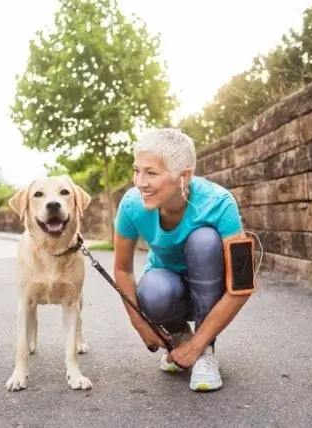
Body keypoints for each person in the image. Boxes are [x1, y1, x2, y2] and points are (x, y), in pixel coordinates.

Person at [112, 128, 253, 392]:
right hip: (169, 292)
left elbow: (242, 284)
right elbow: (122, 270)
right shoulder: (131, 205)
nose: (139, 182)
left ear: (184, 176)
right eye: (137, 170)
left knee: (204, 240)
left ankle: (205, 350)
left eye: (151, 173)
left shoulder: (219, 202)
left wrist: (198, 346)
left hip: (214, 291)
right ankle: (179, 336)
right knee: (153, 289)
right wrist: (141, 325)